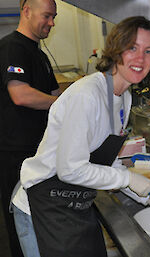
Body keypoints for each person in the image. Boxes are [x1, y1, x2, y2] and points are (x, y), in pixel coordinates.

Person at [12, 16, 150, 257]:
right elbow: (69, 170)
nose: (140, 58)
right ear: (117, 50)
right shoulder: (87, 95)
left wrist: (143, 192)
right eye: (132, 48)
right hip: (42, 207)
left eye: (148, 51)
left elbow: (105, 159)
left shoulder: (123, 98)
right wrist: (127, 179)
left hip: (74, 204)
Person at [0, 0, 59, 256]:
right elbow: (20, 95)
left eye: (54, 17)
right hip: (15, 154)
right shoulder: (12, 47)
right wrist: (62, 103)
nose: (52, 22)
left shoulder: (39, 54)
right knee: (21, 223)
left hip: (37, 152)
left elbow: (55, 92)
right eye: (47, 15)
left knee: (37, 225)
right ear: (26, 11)